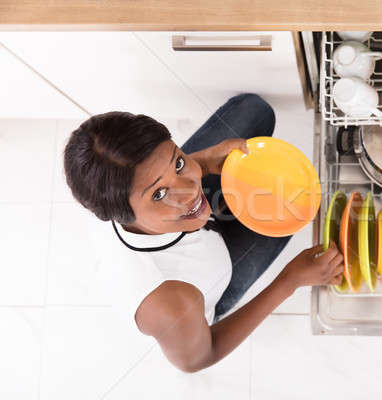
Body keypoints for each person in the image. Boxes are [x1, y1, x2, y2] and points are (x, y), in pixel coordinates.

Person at [63, 93, 343, 372]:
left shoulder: (119, 191)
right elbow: (199, 358)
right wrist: (289, 280)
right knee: (291, 210)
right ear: (122, 214)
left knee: (253, 110)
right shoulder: (169, 303)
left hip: (194, 231)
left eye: (178, 162)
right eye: (160, 193)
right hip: (212, 284)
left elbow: (172, 180)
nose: (192, 190)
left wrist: (204, 161)